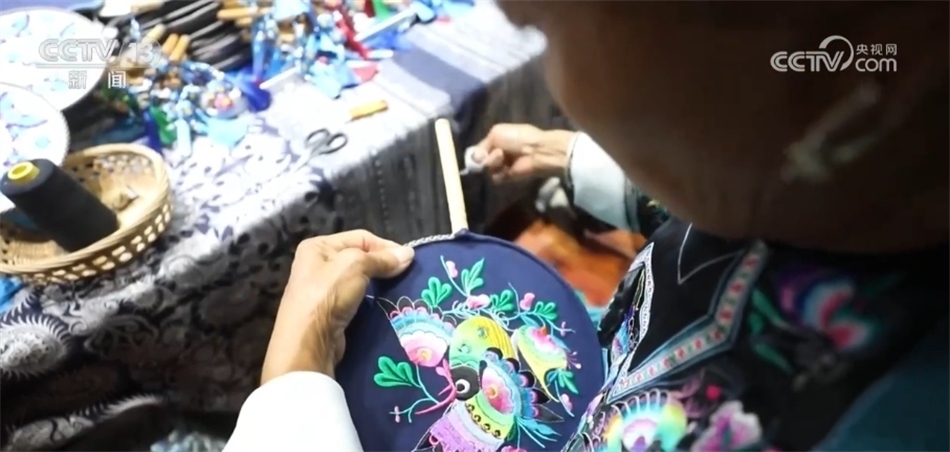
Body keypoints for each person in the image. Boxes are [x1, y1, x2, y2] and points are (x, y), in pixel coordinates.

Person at [225, 2, 948, 451]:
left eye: (543, 29)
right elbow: (765, 168)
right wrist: (572, 159)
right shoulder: (856, 182)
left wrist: (292, 396)